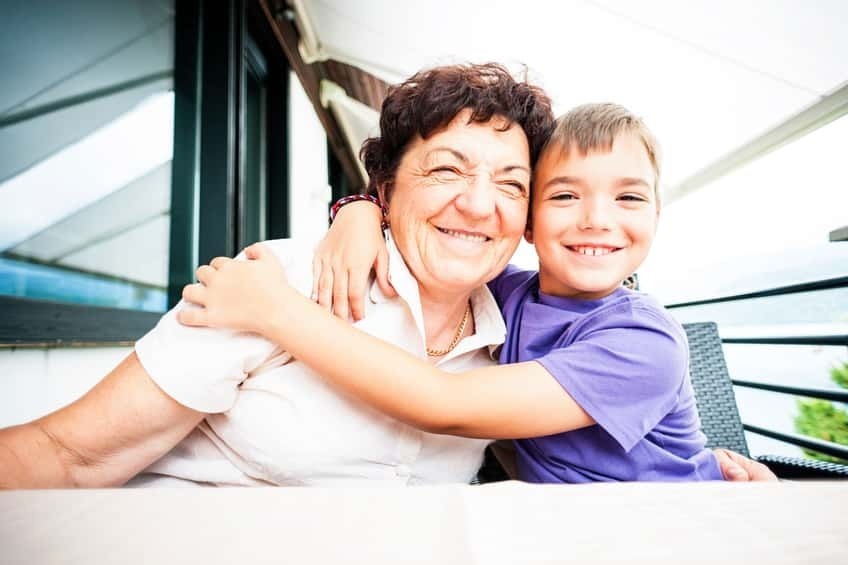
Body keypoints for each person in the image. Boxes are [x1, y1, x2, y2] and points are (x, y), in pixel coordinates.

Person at [0, 63, 767, 489]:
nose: (477, 203)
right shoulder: (282, 281)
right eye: (445, 170)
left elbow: (455, 409)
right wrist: (352, 217)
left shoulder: (502, 320)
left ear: (520, 219)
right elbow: (66, 455)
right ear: (389, 189)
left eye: (509, 183)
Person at [178, 102, 777, 483]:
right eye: (565, 196)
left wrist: (275, 311)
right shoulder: (506, 291)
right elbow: (437, 229)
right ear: (526, 220)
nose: (597, 219)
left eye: (629, 197)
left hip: (677, 531)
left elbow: (448, 406)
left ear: (658, 214)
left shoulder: (645, 342)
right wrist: (358, 211)